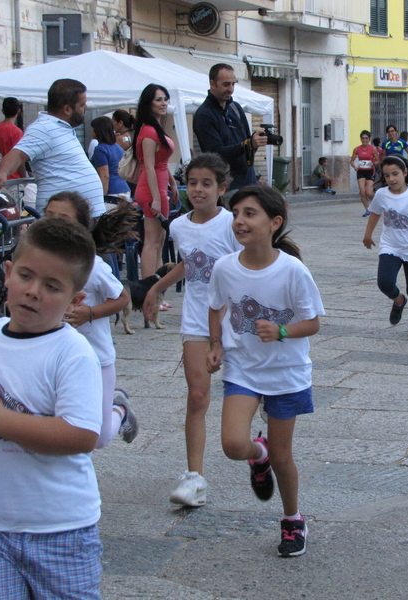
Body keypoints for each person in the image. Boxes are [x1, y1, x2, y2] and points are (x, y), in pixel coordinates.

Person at [0, 217, 104, 598]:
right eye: (25, 276)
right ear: (7, 274)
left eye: (52, 286)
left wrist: (0, 421)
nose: (33, 292)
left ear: (75, 301)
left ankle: (116, 409)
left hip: (61, 530)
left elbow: (81, 435)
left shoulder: (72, 353)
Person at [206, 185, 324, 558]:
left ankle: (292, 519)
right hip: (242, 368)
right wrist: (215, 344)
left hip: (286, 372)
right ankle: (258, 455)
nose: (239, 221)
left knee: (284, 457)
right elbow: (215, 307)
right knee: (232, 445)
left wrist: (282, 331)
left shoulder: (293, 271)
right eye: (236, 213)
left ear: (274, 222)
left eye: (249, 213)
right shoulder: (225, 267)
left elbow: (313, 322)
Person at [140, 153, 242, 508]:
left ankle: (259, 446)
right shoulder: (180, 226)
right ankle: (194, 477)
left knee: (252, 393)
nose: (198, 190)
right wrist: (156, 287)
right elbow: (190, 263)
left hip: (238, 319)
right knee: (198, 396)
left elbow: (248, 267)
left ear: (222, 188)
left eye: (206, 183)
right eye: (192, 183)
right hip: (197, 318)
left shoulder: (233, 224)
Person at [44, 191, 138, 449]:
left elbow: (122, 297)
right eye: (48, 216)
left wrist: (90, 313)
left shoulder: (92, 265)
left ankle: (119, 408)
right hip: (56, 360)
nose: (54, 223)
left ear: (81, 227)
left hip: (97, 359)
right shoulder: (39, 262)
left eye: (63, 218)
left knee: (98, 438)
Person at [0, 79, 105, 218]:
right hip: (63, 217)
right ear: (67, 109)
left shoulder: (62, 127)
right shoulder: (44, 128)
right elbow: (18, 154)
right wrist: (3, 172)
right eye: (82, 104)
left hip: (80, 215)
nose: (86, 108)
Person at [363, 156, 408, 337]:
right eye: (387, 176)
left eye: (395, 174)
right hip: (390, 246)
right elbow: (375, 214)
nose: (391, 179)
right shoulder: (381, 194)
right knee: (385, 282)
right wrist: (367, 235)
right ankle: (398, 300)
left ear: (405, 172)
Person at [193, 63, 268, 194]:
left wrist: (255, 142)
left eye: (233, 84)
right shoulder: (204, 115)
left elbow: (246, 149)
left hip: (249, 184)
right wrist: (247, 144)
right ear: (213, 84)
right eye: (226, 84)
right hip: (227, 188)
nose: (231, 89)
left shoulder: (236, 108)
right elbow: (216, 154)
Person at [133, 83, 178, 278]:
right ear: (148, 103)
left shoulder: (155, 128)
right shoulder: (149, 132)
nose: (164, 103)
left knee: (159, 241)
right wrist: (157, 199)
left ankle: (156, 289)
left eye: (165, 99)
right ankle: (148, 290)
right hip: (152, 191)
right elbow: (149, 167)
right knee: (152, 242)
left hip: (159, 189)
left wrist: (172, 183)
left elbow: (162, 163)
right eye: (158, 99)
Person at [90, 116, 131, 201]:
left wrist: (103, 197)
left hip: (111, 191)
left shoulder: (100, 149)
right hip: (124, 188)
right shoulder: (118, 147)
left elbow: (105, 175)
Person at [0, 97, 25, 180]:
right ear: (19, 111)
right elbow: (20, 157)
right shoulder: (16, 132)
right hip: (14, 176)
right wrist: (24, 177)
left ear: (3, 111)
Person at [350, 129, 378, 216]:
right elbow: (351, 161)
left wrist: (373, 163)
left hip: (370, 171)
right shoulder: (357, 149)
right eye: (363, 138)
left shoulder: (373, 149)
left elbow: (378, 160)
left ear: (369, 139)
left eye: (366, 138)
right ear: (360, 139)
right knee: (362, 192)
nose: (364, 140)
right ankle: (367, 209)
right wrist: (355, 167)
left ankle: (376, 203)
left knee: (369, 192)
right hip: (361, 171)